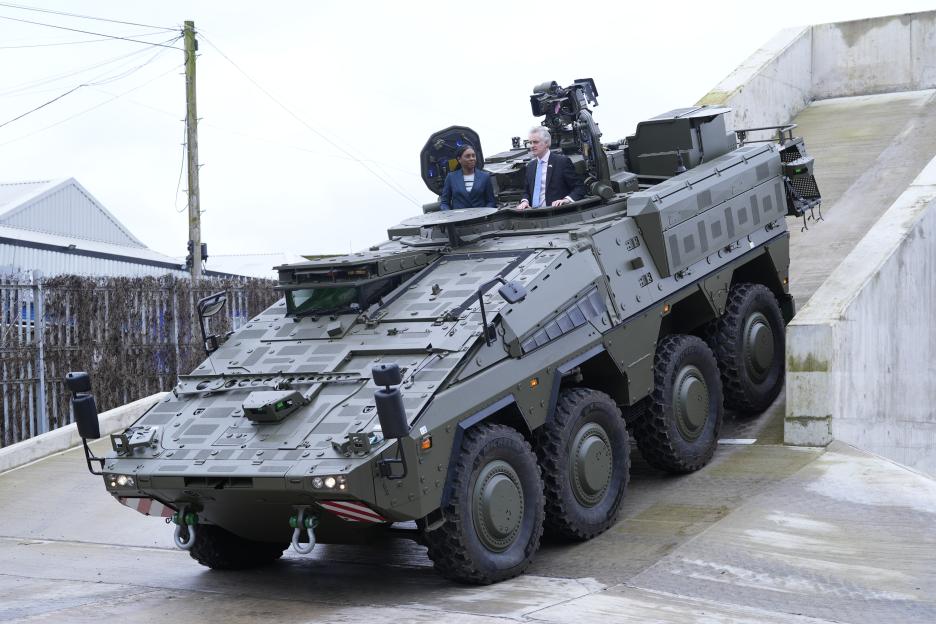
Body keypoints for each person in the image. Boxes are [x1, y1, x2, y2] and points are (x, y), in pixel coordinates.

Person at [517, 126, 585, 209]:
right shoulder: (530, 166)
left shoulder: (562, 162)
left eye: (535, 142)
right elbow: (526, 191)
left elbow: (579, 187)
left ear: (546, 143)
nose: (532, 146)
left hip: (556, 214)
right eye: (530, 143)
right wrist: (525, 201)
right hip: (533, 214)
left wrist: (566, 200)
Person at [439, 144, 496, 211]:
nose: (472, 158)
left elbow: (491, 201)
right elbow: (444, 203)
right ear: (459, 159)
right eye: (467, 156)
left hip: (481, 219)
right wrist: (450, 215)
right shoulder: (451, 177)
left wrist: (486, 214)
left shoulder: (485, 176)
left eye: (473, 156)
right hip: (459, 219)